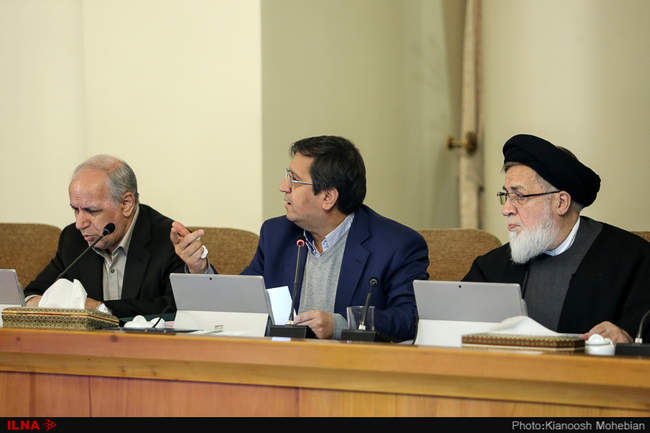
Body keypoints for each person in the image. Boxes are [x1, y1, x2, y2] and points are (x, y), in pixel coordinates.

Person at [172, 135, 429, 341]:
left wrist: (340, 325)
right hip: (281, 367)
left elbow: (409, 319)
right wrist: (201, 269)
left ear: (327, 197)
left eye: (294, 180)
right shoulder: (277, 234)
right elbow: (244, 305)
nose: (283, 187)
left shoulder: (397, 245)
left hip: (354, 373)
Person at [463, 134, 649, 343]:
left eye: (519, 196)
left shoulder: (633, 261)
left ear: (561, 203)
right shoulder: (490, 268)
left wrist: (627, 339)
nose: (506, 209)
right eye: (506, 195)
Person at [24, 155, 186, 318]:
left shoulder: (170, 240)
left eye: (91, 211)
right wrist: (42, 303)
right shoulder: (73, 238)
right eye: (75, 210)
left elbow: (177, 307)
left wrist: (101, 309)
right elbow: (32, 293)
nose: (80, 224)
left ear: (126, 204)